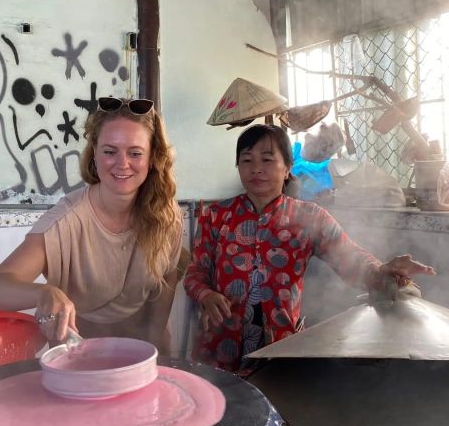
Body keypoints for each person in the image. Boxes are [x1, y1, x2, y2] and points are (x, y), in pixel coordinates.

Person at [183, 124, 435, 373]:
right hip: (218, 349)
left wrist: (381, 270)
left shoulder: (309, 217)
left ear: (287, 168)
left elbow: (351, 259)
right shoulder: (216, 215)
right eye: (246, 160)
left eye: (267, 159)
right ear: (238, 166)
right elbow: (195, 273)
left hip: (280, 349)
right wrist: (205, 295)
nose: (256, 169)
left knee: (279, 408)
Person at [0, 97, 183, 352]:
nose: (122, 164)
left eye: (135, 153)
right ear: (94, 154)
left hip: (144, 346)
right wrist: (44, 293)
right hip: (80, 351)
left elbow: (167, 277)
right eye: (110, 151)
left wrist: (155, 350)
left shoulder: (166, 215)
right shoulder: (66, 221)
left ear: (153, 158)